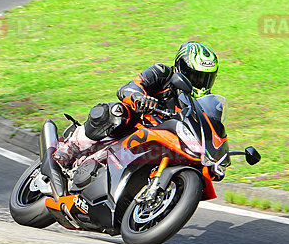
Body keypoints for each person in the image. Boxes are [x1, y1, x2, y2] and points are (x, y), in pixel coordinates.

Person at [54, 41, 219, 165]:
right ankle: (70, 147)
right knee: (117, 111)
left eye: (207, 78)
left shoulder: (201, 104)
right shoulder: (162, 73)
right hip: (137, 127)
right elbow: (127, 88)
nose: (201, 82)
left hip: (168, 144)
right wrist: (139, 98)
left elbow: (206, 134)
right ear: (181, 67)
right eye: (196, 76)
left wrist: (216, 159)